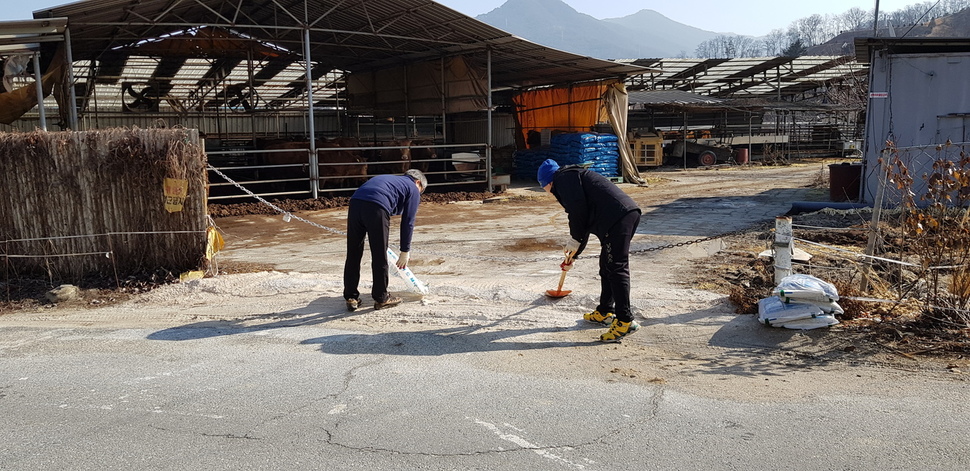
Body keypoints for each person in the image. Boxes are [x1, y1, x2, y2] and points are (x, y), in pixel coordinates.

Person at [537, 159, 642, 342]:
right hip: (621, 216)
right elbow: (582, 220)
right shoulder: (571, 178)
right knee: (607, 266)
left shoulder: (564, 179)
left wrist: (574, 240)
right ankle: (605, 311)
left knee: (616, 268)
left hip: (617, 219)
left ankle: (625, 320)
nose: (547, 192)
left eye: (543, 187)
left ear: (547, 183)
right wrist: (574, 255)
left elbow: (577, 213)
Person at [343, 169, 427, 312]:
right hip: (377, 207)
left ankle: (351, 297)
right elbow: (408, 221)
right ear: (418, 182)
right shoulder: (413, 188)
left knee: (354, 252)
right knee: (379, 253)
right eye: (421, 191)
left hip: (356, 203)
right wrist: (405, 250)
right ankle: (381, 297)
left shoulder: (390, 179)